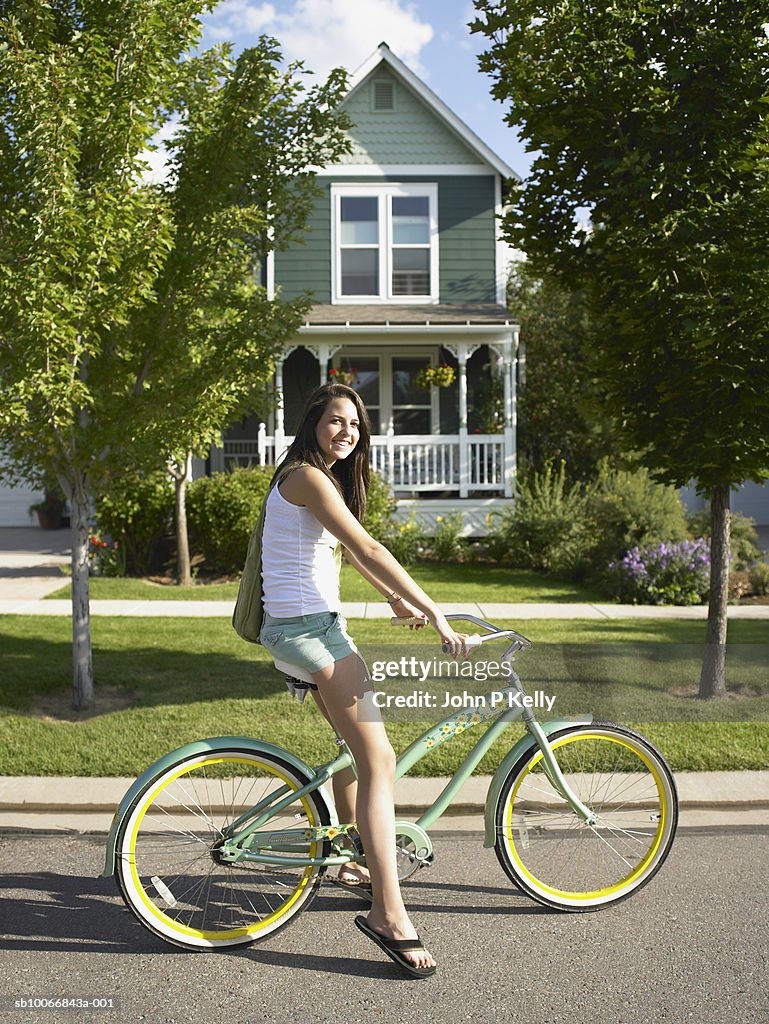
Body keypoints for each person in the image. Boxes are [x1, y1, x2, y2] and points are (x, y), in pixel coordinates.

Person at [258, 382, 467, 979]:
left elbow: (346, 554)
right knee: (380, 759)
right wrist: (436, 610)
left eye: (354, 424)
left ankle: (352, 862)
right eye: (335, 421)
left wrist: (397, 600)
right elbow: (368, 546)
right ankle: (389, 913)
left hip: (313, 625)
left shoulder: (311, 475)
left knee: (357, 752)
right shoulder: (307, 476)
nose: (346, 431)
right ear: (313, 424)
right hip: (308, 631)